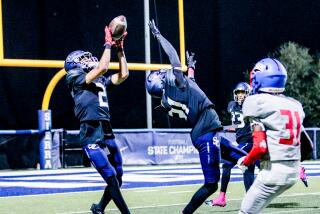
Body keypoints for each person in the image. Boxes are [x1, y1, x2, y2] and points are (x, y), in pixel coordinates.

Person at [146, 20, 246, 214]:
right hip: (206, 134)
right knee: (211, 185)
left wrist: (191, 67)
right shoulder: (176, 85)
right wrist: (158, 35)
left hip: (208, 132)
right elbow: (174, 57)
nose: (163, 72)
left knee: (247, 159)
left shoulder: (169, 97)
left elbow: (191, 83)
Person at [64, 17, 130, 214]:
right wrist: (108, 44)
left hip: (106, 130)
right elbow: (102, 67)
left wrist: (120, 49)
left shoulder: (98, 79)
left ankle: (99, 207)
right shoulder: (74, 77)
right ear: (74, 64)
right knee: (110, 176)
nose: (88, 59)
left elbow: (124, 74)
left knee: (118, 176)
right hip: (91, 132)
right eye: (83, 59)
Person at [237, 58, 305, 213]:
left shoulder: (256, 102)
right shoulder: (294, 104)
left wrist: (245, 162)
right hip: (293, 171)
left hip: (272, 171)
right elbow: (307, 145)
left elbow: (260, 147)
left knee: (245, 212)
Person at [206, 82, 257, 207]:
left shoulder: (250, 106)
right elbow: (238, 126)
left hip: (249, 141)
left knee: (228, 164)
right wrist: (223, 127)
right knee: (248, 170)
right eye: (238, 92)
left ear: (248, 93)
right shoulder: (232, 106)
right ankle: (248, 201)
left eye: (243, 92)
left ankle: (224, 198)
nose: (240, 95)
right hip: (242, 141)